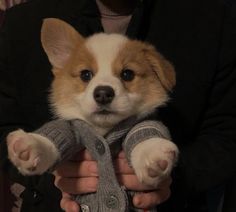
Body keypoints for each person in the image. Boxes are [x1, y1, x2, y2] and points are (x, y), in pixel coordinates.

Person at [0, 0, 235, 212]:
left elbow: (226, 132)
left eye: (126, 73)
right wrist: (47, 167)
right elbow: (6, 129)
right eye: (85, 74)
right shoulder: (21, 23)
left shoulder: (216, 18)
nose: (103, 91)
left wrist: (173, 173)